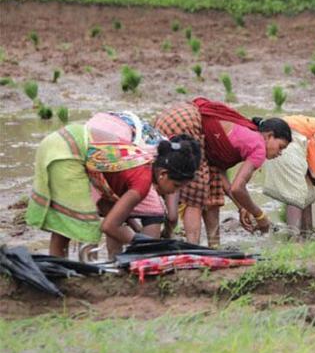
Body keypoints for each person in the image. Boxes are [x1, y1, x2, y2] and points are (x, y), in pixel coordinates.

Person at [25, 111, 200, 259]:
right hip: (68, 151)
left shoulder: (141, 161)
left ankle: (61, 269)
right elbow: (108, 226)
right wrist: (141, 242)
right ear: (163, 174)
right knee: (82, 223)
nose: (175, 192)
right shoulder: (142, 182)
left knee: (67, 221)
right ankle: (67, 274)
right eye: (176, 186)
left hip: (62, 139)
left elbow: (111, 208)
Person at [154, 98, 291, 246]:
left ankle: (214, 245)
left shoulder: (246, 133)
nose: (280, 153)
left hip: (173, 116)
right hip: (187, 123)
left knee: (213, 185)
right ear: (269, 136)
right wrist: (260, 215)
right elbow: (237, 188)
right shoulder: (259, 147)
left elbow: (221, 177)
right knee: (196, 192)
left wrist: (242, 207)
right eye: (281, 147)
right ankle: (193, 248)